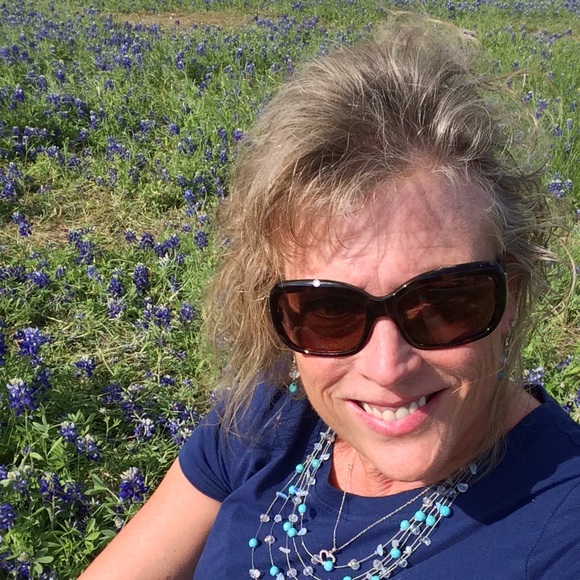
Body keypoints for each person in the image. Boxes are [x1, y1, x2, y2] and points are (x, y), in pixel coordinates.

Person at [80, 14, 580, 580]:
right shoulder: (267, 416)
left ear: (511, 294)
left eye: (444, 303)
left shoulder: (562, 528)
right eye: (329, 311)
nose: (386, 367)